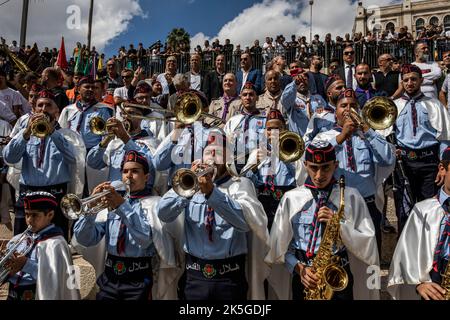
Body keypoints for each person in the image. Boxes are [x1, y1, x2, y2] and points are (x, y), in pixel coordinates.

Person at [157, 130, 269, 300]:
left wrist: (212, 193)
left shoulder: (241, 185)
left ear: (228, 158)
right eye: (208, 153)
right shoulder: (188, 185)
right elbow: (163, 213)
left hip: (229, 277)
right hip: (195, 276)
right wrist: (187, 189)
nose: (211, 158)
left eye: (217, 153)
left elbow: (245, 223)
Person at [264, 141, 380, 300]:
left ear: (336, 164)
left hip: (337, 274)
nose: (319, 175)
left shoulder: (351, 197)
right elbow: (279, 246)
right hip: (305, 277)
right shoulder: (291, 199)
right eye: (313, 167)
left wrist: (339, 225)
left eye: (326, 167)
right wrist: (299, 268)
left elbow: (367, 241)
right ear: (305, 165)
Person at [73, 150, 170, 300]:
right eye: (125, 171)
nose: (129, 176)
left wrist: (122, 206)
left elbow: (145, 240)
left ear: (146, 177)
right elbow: (85, 239)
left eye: (135, 171)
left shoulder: (154, 204)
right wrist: (90, 209)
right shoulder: (109, 204)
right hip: (109, 277)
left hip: (138, 279)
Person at [313, 88, 395, 252]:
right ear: (335, 112)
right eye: (343, 105)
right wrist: (341, 137)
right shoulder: (324, 136)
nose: (348, 109)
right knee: (340, 257)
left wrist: (367, 130)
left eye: (352, 105)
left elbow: (387, 159)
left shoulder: (369, 135)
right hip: (337, 205)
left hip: (367, 204)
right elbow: (314, 158)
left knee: (371, 255)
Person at [380, 64, 450, 233]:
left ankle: (430, 247)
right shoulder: (393, 106)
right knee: (404, 210)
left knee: (431, 207)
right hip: (404, 165)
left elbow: (445, 137)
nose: (410, 83)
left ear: (421, 81)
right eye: (406, 80)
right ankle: (405, 249)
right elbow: (383, 135)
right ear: (401, 83)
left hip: (429, 163)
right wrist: (391, 149)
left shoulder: (434, 105)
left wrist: (444, 166)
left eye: (413, 79)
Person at [3, 90, 77, 239]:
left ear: (56, 110)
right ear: (34, 109)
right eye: (40, 105)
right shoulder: (25, 133)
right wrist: (25, 134)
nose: (43, 109)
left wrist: (52, 133)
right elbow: (9, 158)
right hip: (28, 193)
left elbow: (72, 158)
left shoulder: (67, 134)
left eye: (48, 105)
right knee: (22, 242)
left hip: (55, 194)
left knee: (54, 241)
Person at [387, 147, 450, 300]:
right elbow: (405, 256)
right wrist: (418, 284)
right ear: (442, 169)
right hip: (434, 280)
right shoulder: (423, 210)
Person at [1, 192, 80, 300]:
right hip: (12, 294)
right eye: (27, 214)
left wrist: (26, 264)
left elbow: (55, 278)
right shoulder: (17, 239)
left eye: (35, 215)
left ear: (50, 215)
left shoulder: (56, 244)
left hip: (37, 294)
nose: (29, 220)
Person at [245, 109, 296, 230]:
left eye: (277, 129)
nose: (273, 132)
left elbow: (299, 177)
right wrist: (254, 167)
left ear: (284, 129)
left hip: (284, 198)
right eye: (269, 129)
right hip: (263, 198)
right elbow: (247, 182)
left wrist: (281, 155)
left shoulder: (293, 150)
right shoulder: (258, 152)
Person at [280, 68, 327, 137]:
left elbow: (327, 117)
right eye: (299, 81)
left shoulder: (318, 98)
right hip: (298, 140)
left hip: (317, 139)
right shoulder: (292, 99)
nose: (302, 83)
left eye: (305, 80)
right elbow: (284, 100)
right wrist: (294, 83)